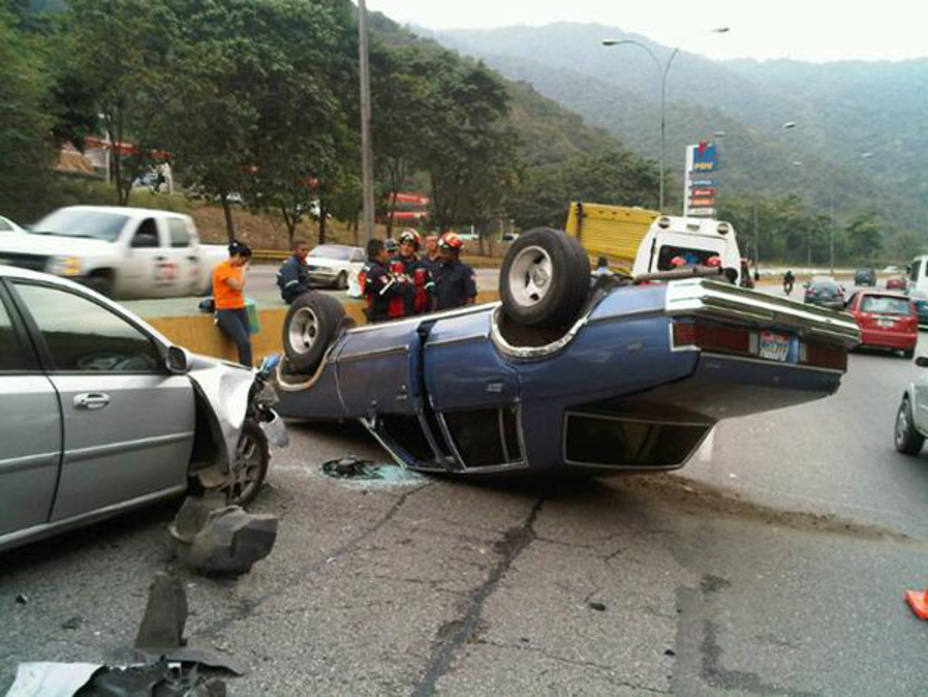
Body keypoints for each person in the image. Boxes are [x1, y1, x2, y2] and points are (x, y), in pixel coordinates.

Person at [212, 240, 253, 367]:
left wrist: (241, 271)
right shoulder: (221, 269)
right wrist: (244, 271)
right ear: (237, 256)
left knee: (247, 342)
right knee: (243, 341)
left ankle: (248, 367)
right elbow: (237, 286)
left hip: (240, 308)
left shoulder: (236, 269)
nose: (244, 264)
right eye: (243, 260)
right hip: (226, 311)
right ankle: (245, 369)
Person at [361, 238, 406, 322]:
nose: (387, 254)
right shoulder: (378, 271)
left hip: (371, 308)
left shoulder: (366, 267)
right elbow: (392, 291)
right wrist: (401, 281)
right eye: (386, 251)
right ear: (380, 252)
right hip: (380, 314)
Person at [392, 229, 435, 314]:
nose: (406, 248)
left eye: (410, 245)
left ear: (415, 248)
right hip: (395, 314)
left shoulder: (423, 266)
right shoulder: (390, 264)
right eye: (403, 244)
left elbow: (430, 292)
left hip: (416, 313)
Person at [433, 232, 477, 311]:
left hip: (457, 317)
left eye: (445, 251)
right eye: (441, 250)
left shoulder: (465, 271)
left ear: (455, 252)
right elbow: (435, 296)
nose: (442, 254)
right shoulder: (437, 268)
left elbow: (471, 298)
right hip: (440, 316)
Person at [276, 239, 311, 304]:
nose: (306, 252)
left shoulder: (302, 263)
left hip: (302, 295)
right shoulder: (291, 264)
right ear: (295, 251)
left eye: (307, 250)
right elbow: (292, 286)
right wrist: (310, 293)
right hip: (294, 298)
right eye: (303, 250)